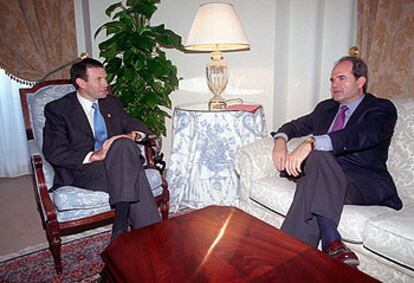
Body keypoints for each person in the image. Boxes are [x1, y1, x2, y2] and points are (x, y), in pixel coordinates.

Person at [271, 56, 402, 267]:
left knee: (318, 157)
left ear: (361, 81)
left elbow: (359, 136)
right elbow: (294, 126)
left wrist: (312, 143)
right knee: (317, 166)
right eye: (332, 80)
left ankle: (285, 253)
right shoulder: (326, 108)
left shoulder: (381, 108)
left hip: (362, 182)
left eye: (342, 78)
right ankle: (330, 240)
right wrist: (280, 140)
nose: (334, 85)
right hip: (323, 176)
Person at [43, 58, 161, 240]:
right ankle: (154, 239)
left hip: (119, 163)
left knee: (122, 144)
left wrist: (131, 136)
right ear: (81, 82)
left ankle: (120, 229)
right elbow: (54, 152)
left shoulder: (111, 103)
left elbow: (136, 125)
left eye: (105, 78)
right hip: (84, 170)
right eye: (99, 79)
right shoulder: (58, 109)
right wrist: (93, 156)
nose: (106, 84)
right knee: (133, 171)